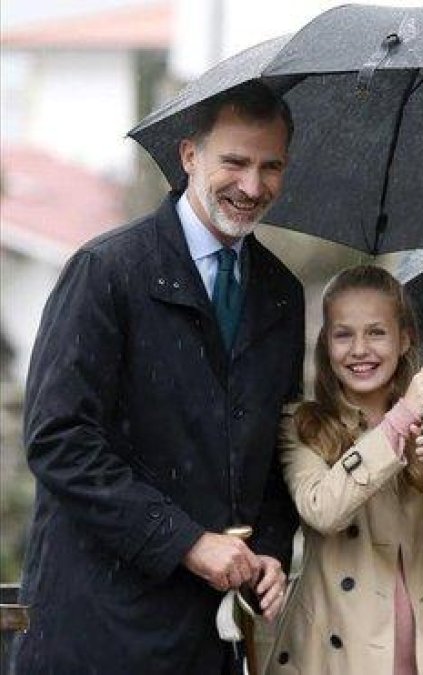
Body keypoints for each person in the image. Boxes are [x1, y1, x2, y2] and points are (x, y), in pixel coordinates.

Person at [14, 80, 304, 673]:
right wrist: (187, 542)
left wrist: (271, 551)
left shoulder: (282, 293)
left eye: (270, 166)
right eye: (235, 162)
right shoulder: (106, 271)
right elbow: (59, 439)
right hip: (97, 632)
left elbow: (277, 449)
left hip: (208, 640)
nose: (253, 186)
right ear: (189, 155)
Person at [265, 265, 423, 674]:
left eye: (376, 332)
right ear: (326, 343)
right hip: (334, 657)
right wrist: (400, 417)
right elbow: (323, 511)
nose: (359, 349)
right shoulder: (302, 424)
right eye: (343, 334)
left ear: (404, 339)